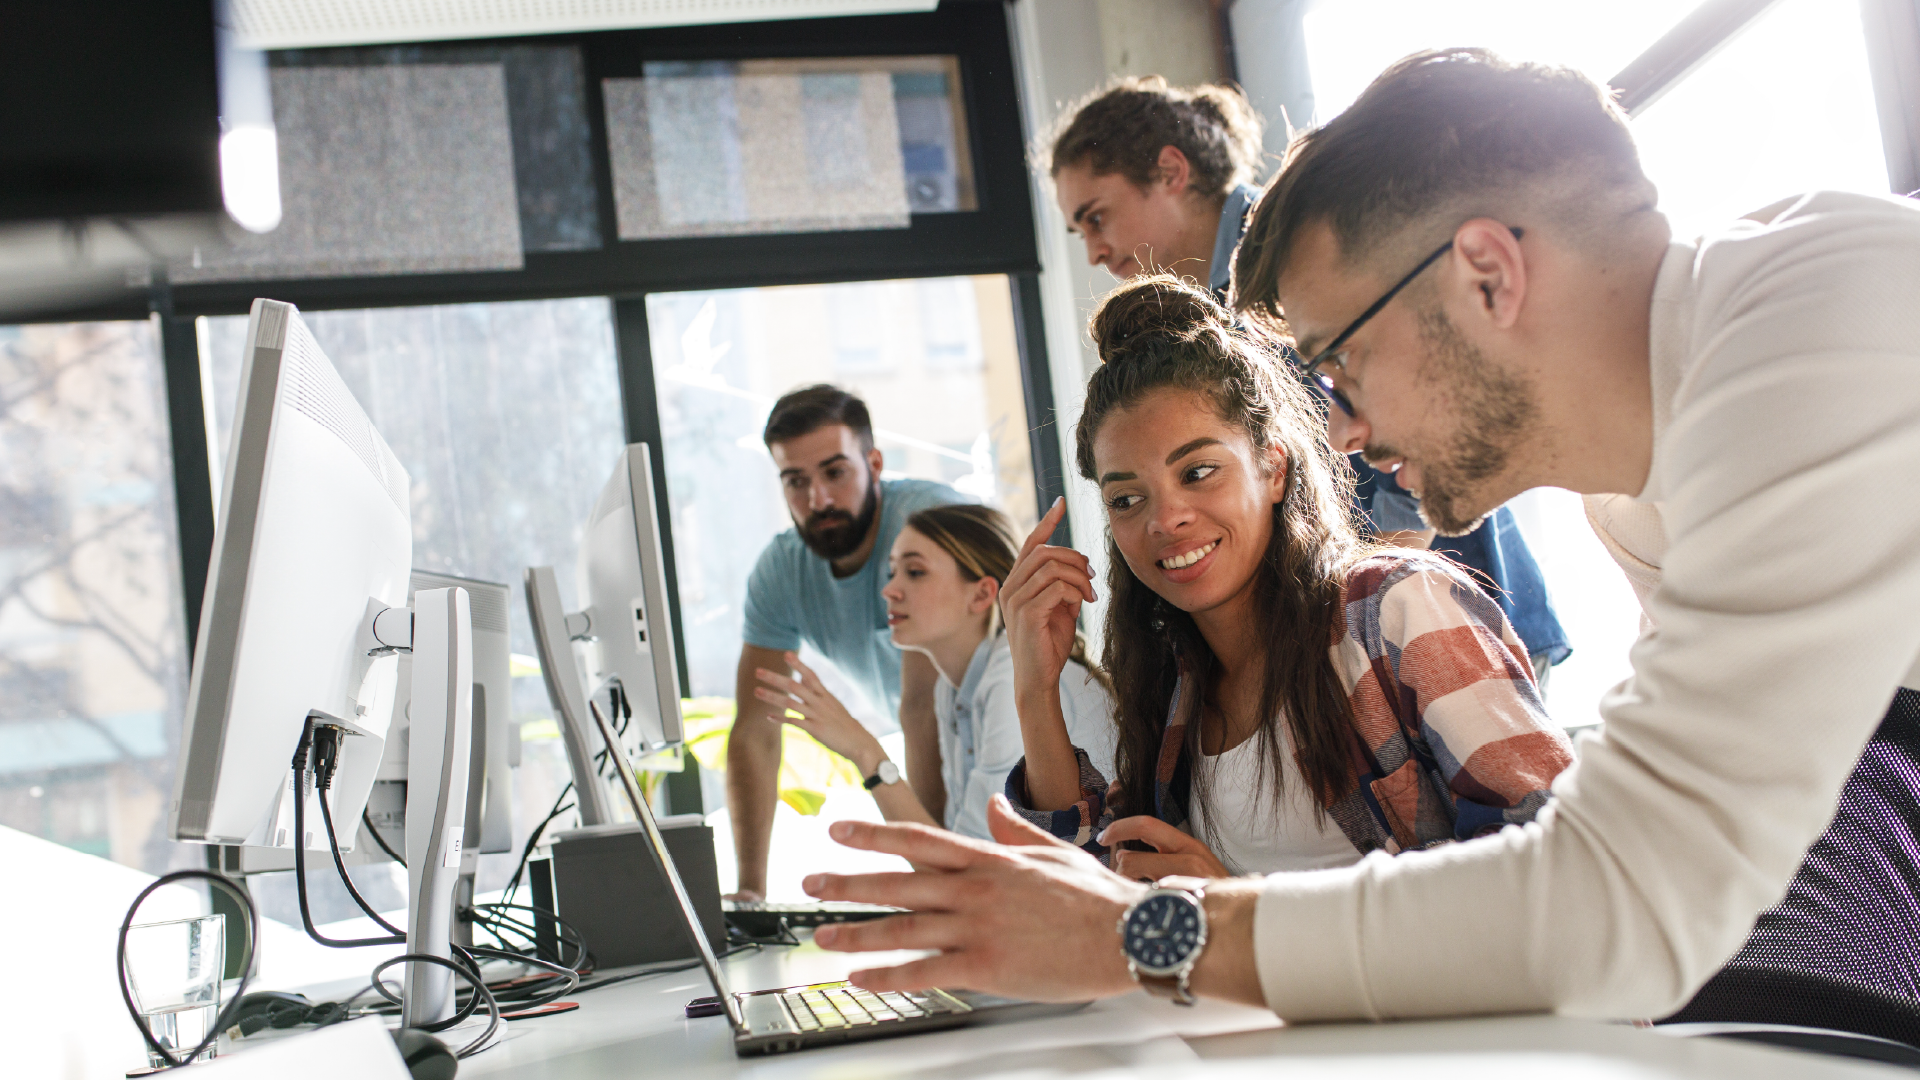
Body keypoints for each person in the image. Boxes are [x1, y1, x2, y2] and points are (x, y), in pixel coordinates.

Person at [798, 50, 1920, 1028]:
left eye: (1339, 362)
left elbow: (1623, 894)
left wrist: (1149, 934)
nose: (1337, 420)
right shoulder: (1636, 495)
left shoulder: (1816, 322)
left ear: (1487, 273)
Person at [999, 275, 1570, 884]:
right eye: (1127, 499)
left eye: (1198, 471)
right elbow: (1090, 895)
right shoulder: (1175, 683)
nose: (1166, 520)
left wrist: (1240, 913)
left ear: (1273, 468)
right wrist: (1036, 687)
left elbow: (1555, 869)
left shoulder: (1395, 610)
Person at [1046, 75, 1569, 683]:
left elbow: (1420, 432)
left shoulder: (1300, 258)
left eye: (1096, 217)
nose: (1093, 252)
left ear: (1169, 171)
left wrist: (1356, 619)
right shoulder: (1215, 309)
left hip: (1442, 622)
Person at [727, 385, 965, 902]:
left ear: (874, 463)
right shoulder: (782, 570)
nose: (819, 500)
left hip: (1004, 748)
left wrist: (936, 883)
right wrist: (750, 895)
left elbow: (921, 710)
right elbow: (755, 731)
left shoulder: (923, 529)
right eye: (796, 481)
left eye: (835, 472)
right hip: (933, 755)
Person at [753, 504, 1117, 841]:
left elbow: (974, 869)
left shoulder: (1009, 679)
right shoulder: (951, 690)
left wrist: (865, 752)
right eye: (892, 572)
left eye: (915, 572)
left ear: (981, 595)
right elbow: (962, 853)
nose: (890, 590)